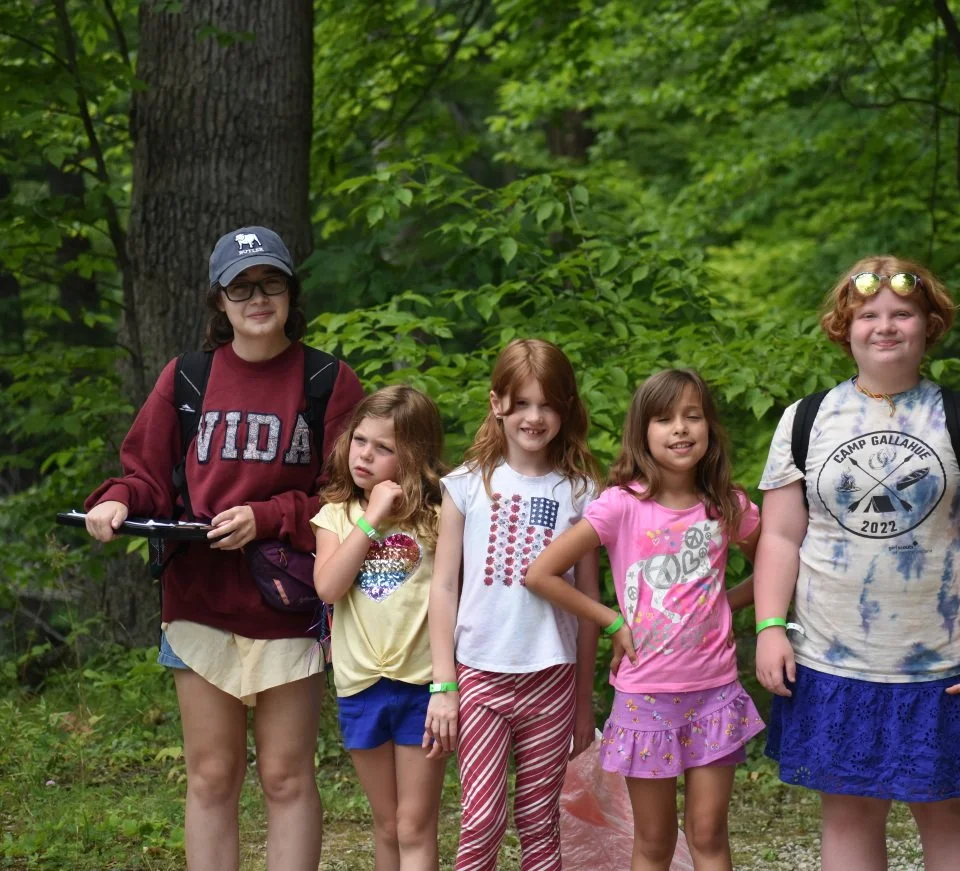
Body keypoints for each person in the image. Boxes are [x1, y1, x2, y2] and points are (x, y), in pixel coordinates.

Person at [83, 226, 365, 871]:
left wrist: (267, 517)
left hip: (288, 602)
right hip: (199, 600)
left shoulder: (327, 380)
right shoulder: (188, 377)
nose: (257, 298)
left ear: (291, 293)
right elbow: (146, 475)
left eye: (270, 283)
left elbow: (349, 495)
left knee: (287, 776)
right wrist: (118, 500)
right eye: (241, 287)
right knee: (212, 775)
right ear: (219, 300)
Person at [753, 256, 960, 871]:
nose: (885, 326)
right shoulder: (805, 420)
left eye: (902, 314)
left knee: (950, 811)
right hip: (832, 658)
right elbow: (780, 538)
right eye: (868, 315)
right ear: (845, 328)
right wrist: (769, 629)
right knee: (848, 812)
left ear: (930, 325)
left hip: (944, 662)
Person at [525, 368, 764, 871]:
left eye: (692, 416)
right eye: (664, 419)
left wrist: (724, 603)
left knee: (709, 834)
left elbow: (776, 569)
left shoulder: (728, 505)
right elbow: (541, 574)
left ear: (709, 427)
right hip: (645, 700)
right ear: (642, 432)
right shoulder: (620, 506)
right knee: (654, 843)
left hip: (715, 693)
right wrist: (611, 621)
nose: (680, 428)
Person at [423, 338, 602, 871]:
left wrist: (583, 702)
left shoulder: (582, 492)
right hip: (479, 676)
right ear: (496, 403)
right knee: (481, 820)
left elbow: (590, 603)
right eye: (521, 403)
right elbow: (443, 587)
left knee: (540, 820)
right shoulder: (465, 486)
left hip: (552, 678)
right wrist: (443, 684)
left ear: (566, 409)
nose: (534, 417)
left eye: (547, 404)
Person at [311, 385, 449, 871]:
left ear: (414, 456)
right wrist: (370, 518)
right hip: (360, 686)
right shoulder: (335, 516)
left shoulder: (437, 519)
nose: (364, 455)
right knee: (387, 823)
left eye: (383, 447)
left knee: (415, 825)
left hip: (422, 687)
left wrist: (447, 684)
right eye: (360, 440)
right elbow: (329, 587)